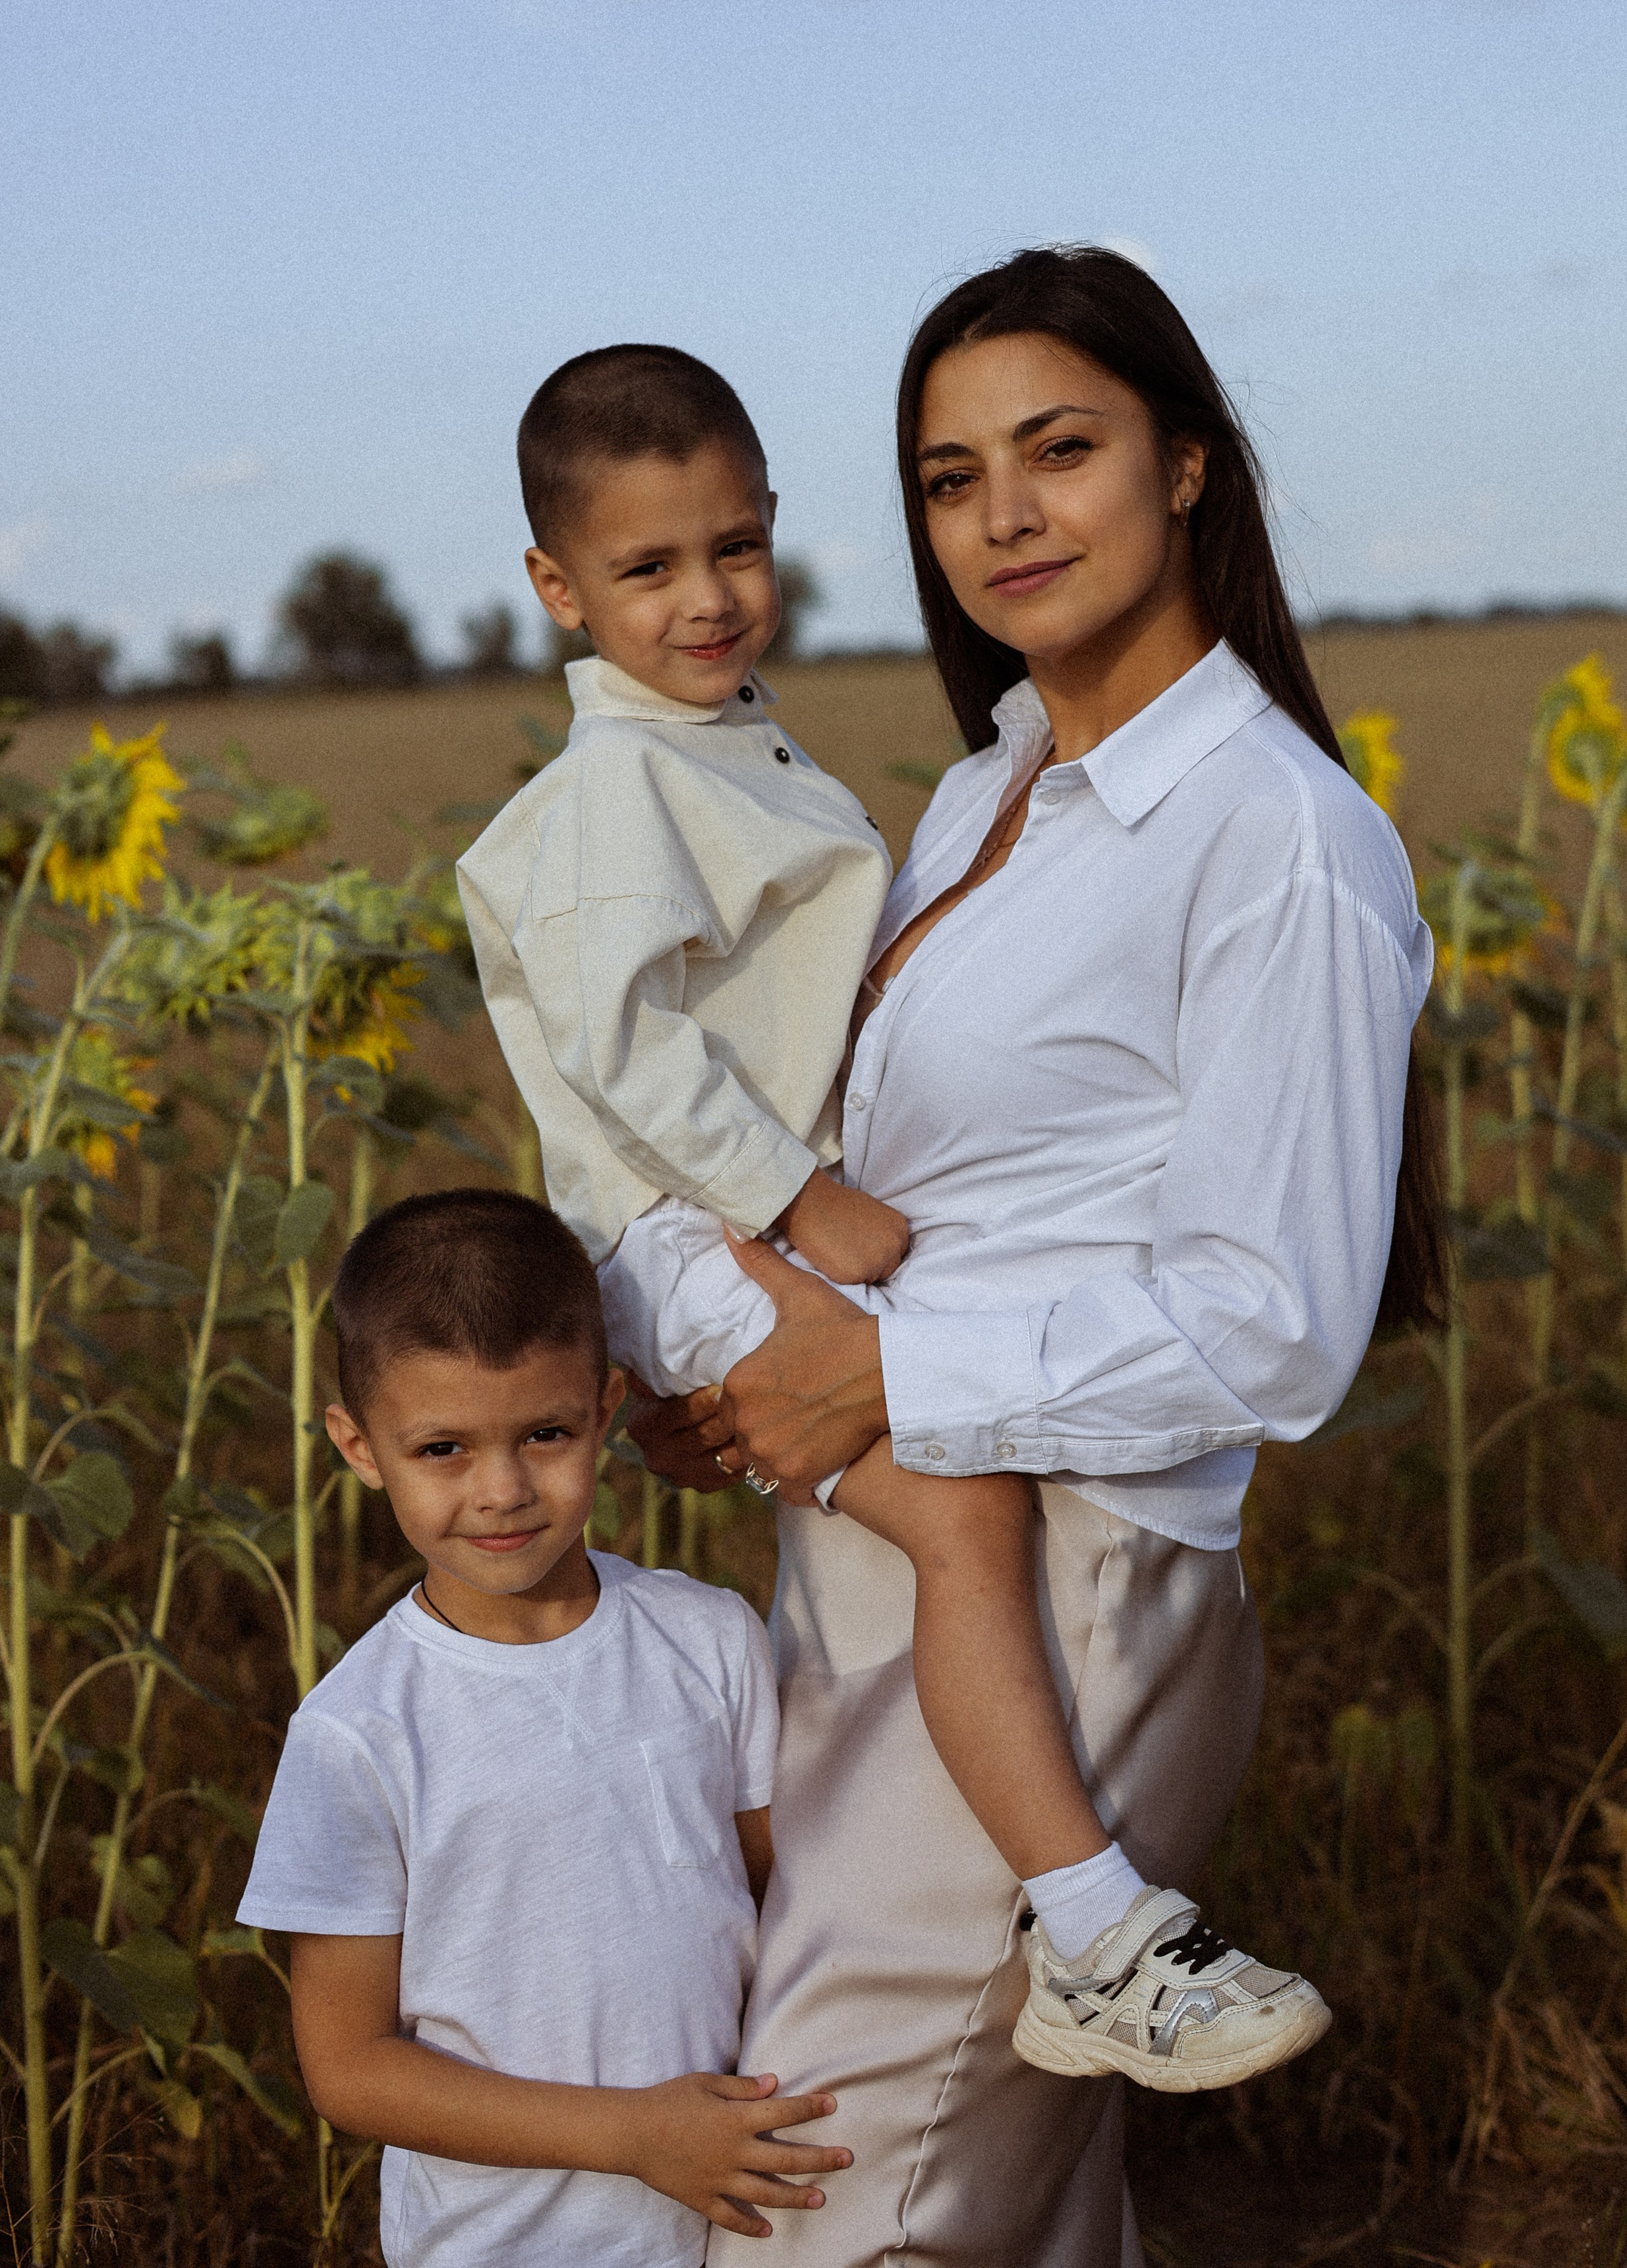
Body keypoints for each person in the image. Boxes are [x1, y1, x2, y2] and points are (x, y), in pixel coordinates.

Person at [630, 246, 1441, 2265]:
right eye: (947, 474)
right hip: (890, 1560)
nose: (1003, 514)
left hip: (1075, 1586)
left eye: (1059, 449)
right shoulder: (993, 788)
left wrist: (877, 1377)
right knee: (1016, 2202)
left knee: (840, 2202)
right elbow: (931, 1194)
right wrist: (750, 1387)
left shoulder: (1276, 834)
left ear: (1184, 465)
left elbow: (1276, 1330)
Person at [455, 343, 1317, 2087]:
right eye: (648, 567)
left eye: (737, 548)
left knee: (938, 1525)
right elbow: (625, 1045)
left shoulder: (725, 753)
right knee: (963, 1517)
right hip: (695, 1230)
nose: (709, 598)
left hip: (731, 1231)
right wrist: (801, 1200)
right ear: (556, 588)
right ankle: (1089, 1924)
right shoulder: (617, 797)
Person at [235, 1189, 852, 2265]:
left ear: (608, 1404)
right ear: (359, 1444)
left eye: (547, 1432)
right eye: (443, 1449)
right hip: (500, 2243)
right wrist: (634, 2136)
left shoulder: (709, 1639)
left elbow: (776, 1903)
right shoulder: (360, 1731)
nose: (504, 1489)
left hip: (736, 2229)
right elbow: (350, 2067)